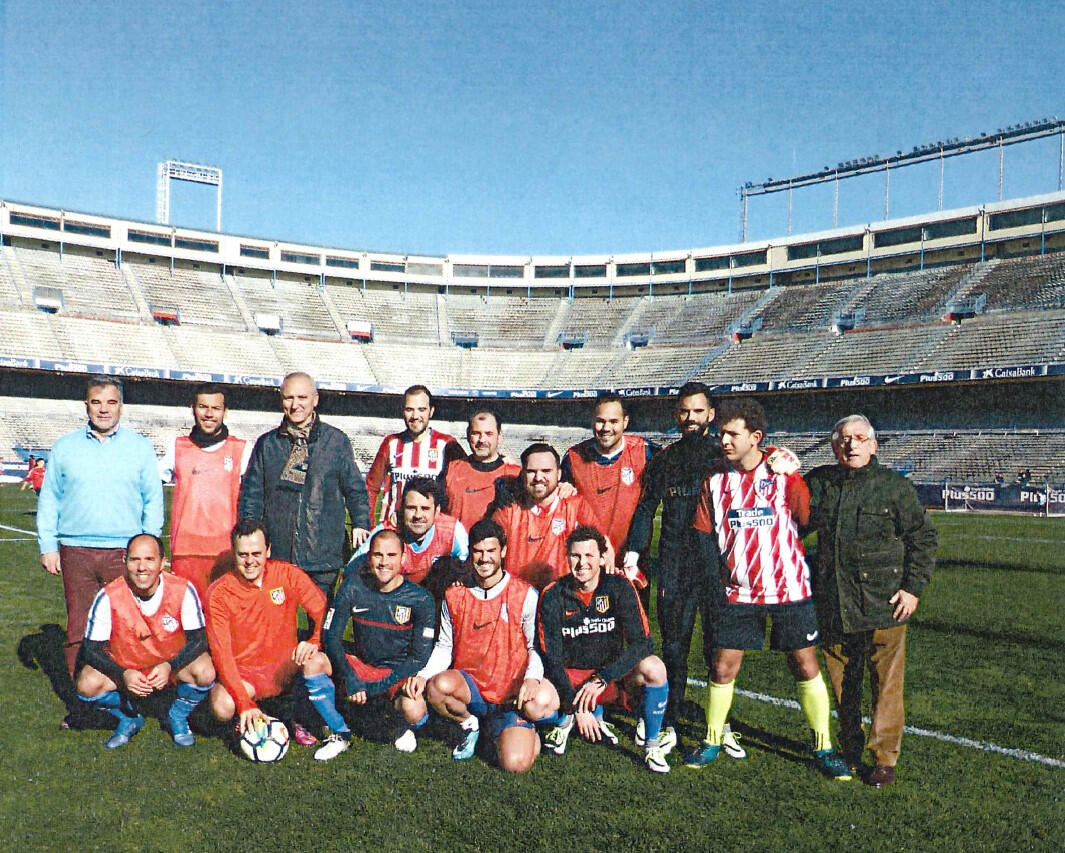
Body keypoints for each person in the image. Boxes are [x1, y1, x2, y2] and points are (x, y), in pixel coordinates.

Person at [684, 398, 851, 779]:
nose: (724, 440)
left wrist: (793, 473)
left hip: (788, 589)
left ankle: (823, 746)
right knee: (723, 666)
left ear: (755, 437)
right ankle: (712, 740)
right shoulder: (713, 479)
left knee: (805, 664)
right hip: (737, 592)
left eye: (732, 434)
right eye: (722, 433)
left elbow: (806, 519)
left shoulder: (782, 473)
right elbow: (702, 533)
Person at [805, 415, 938, 788]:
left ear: (874, 445)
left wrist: (912, 589)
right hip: (834, 602)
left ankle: (883, 758)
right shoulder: (820, 483)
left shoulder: (894, 487)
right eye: (844, 439)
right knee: (842, 684)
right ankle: (849, 747)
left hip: (884, 603)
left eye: (860, 438)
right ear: (834, 446)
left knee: (886, 685)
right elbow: (793, 522)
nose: (851, 445)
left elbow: (923, 539)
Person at [624, 382, 737, 756]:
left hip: (717, 567)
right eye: (685, 411)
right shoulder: (665, 460)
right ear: (677, 415)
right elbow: (645, 510)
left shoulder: (724, 456)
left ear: (711, 415)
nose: (691, 418)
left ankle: (721, 725)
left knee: (719, 649)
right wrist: (634, 553)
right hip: (675, 566)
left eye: (698, 411)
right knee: (674, 648)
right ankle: (670, 721)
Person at [404, 519, 559, 773]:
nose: (484, 558)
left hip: (510, 696)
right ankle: (470, 724)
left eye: (491, 551)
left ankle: (522, 731)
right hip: (472, 690)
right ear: (470, 552)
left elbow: (535, 648)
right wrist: (423, 675)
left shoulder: (524, 594)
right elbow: (444, 646)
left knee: (515, 764)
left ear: (503, 551)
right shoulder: (454, 595)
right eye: (478, 551)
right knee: (437, 687)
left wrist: (532, 678)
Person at [37, 376, 165, 682]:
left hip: (124, 552)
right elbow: (50, 499)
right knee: (78, 627)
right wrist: (48, 546)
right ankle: (81, 697)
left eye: (111, 402)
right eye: (96, 402)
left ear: (121, 406)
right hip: (75, 551)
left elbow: (153, 499)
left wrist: (149, 548)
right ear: (87, 406)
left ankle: (124, 695)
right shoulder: (65, 447)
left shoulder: (140, 447)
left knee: (126, 625)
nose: (104, 409)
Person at [537, 526, 673, 773]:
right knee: (535, 704)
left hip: (609, 679)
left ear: (602, 558)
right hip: (571, 679)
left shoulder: (619, 586)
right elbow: (552, 658)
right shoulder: (553, 594)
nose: (582, 563)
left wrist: (602, 678)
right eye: (576, 556)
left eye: (589, 556)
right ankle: (567, 718)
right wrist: (575, 706)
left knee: (654, 668)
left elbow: (643, 643)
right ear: (567, 558)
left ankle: (652, 745)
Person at [205, 519, 348, 747]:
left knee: (319, 662)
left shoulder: (287, 574)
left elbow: (324, 611)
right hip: (247, 675)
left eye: (256, 553)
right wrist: (243, 702)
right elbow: (222, 654)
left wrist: (314, 640)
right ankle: (251, 716)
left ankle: (301, 714)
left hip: (286, 668)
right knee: (222, 706)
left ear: (268, 550)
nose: (250, 561)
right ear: (234, 553)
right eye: (243, 555)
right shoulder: (219, 593)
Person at [239, 371, 370, 607]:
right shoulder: (267, 444)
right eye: (289, 398)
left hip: (324, 553)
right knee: (277, 619)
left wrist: (360, 522)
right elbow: (252, 496)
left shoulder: (336, 441)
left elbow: (355, 489)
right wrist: (250, 536)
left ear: (315, 399)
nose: (295, 404)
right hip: (278, 552)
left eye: (302, 397)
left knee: (320, 619)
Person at [75, 533, 215, 749]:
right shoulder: (108, 596)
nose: (142, 567)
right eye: (135, 560)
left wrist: (171, 666)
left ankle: (176, 715)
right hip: (127, 669)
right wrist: (122, 673)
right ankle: (128, 717)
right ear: (125, 561)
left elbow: (199, 639)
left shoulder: (183, 590)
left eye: (149, 559)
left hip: (169, 667)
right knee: (87, 684)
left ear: (162, 562)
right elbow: (91, 649)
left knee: (205, 671)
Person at [316, 529, 436, 761]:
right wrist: (351, 677)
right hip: (363, 666)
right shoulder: (352, 587)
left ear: (403, 557)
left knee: (414, 709)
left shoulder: (421, 599)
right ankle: (339, 731)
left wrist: (378, 686)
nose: (384, 562)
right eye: (378, 555)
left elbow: (419, 657)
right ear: (368, 557)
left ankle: (398, 726)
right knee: (315, 663)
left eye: (391, 555)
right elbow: (331, 637)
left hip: (396, 673)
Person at [160, 383, 252, 600]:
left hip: (226, 551)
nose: (209, 414)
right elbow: (149, 484)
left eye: (216, 408)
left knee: (221, 614)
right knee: (187, 614)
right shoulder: (177, 447)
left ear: (225, 411)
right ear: (193, 409)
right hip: (186, 551)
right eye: (203, 407)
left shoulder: (241, 449)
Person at [562, 393, 658, 587]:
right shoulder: (573, 458)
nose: (606, 428)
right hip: (589, 564)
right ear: (592, 421)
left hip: (633, 562)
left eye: (613, 421)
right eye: (600, 421)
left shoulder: (646, 452)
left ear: (625, 422)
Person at [492, 443, 612, 590]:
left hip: (562, 596)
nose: (538, 477)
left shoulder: (576, 506)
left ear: (559, 474)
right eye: (531, 471)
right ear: (523, 474)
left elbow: (603, 548)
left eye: (546, 471)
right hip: (518, 596)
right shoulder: (508, 511)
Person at [346, 477, 468, 591]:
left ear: (437, 511)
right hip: (394, 597)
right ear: (402, 509)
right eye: (411, 508)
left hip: (433, 596)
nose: (418, 515)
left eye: (425, 508)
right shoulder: (387, 533)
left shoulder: (451, 529)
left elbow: (470, 564)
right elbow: (351, 570)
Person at [365, 384, 464, 526]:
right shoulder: (391, 443)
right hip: (395, 529)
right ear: (402, 411)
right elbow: (371, 487)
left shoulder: (447, 445)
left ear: (431, 411)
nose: (415, 416)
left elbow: (466, 483)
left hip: (433, 531)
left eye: (421, 409)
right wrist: (367, 525)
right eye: (409, 409)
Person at [444, 410, 520, 530]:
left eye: (489, 434)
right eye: (476, 433)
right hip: (458, 542)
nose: (481, 440)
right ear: (468, 435)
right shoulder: (451, 470)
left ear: (499, 436)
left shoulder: (516, 475)